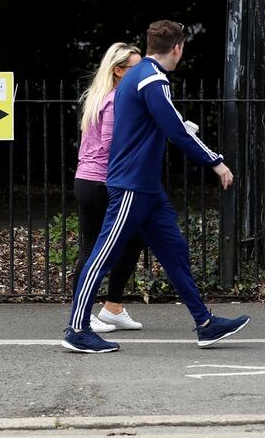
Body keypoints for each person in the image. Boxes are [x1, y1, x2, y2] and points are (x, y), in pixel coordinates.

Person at [62, 20, 250, 353]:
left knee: (174, 252)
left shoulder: (135, 76)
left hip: (146, 188)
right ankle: (77, 330)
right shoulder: (152, 79)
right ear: (177, 48)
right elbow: (176, 129)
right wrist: (215, 161)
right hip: (133, 185)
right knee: (102, 255)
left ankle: (205, 324)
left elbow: (161, 124)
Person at [73, 42, 146, 334]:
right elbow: (111, 145)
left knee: (134, 238)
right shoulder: (116, 99)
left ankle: (112, 308)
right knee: (92, 248)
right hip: (101, 182)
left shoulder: (99, 95)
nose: (142, 72)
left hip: (89, 180)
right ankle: (83, 313)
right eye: (135, 67)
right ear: (118, 70)